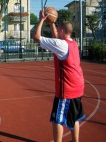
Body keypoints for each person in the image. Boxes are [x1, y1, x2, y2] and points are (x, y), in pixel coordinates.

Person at [33, 9, 85, 142]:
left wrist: (42, 20)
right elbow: (57, 38)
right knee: (74, 117)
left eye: (58, 29)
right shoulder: (73, 43)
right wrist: (52, 23)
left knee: (57, 119)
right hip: (78, 87)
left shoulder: (61, 45)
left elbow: (37, 37)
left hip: (67, 90)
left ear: (61, 31)